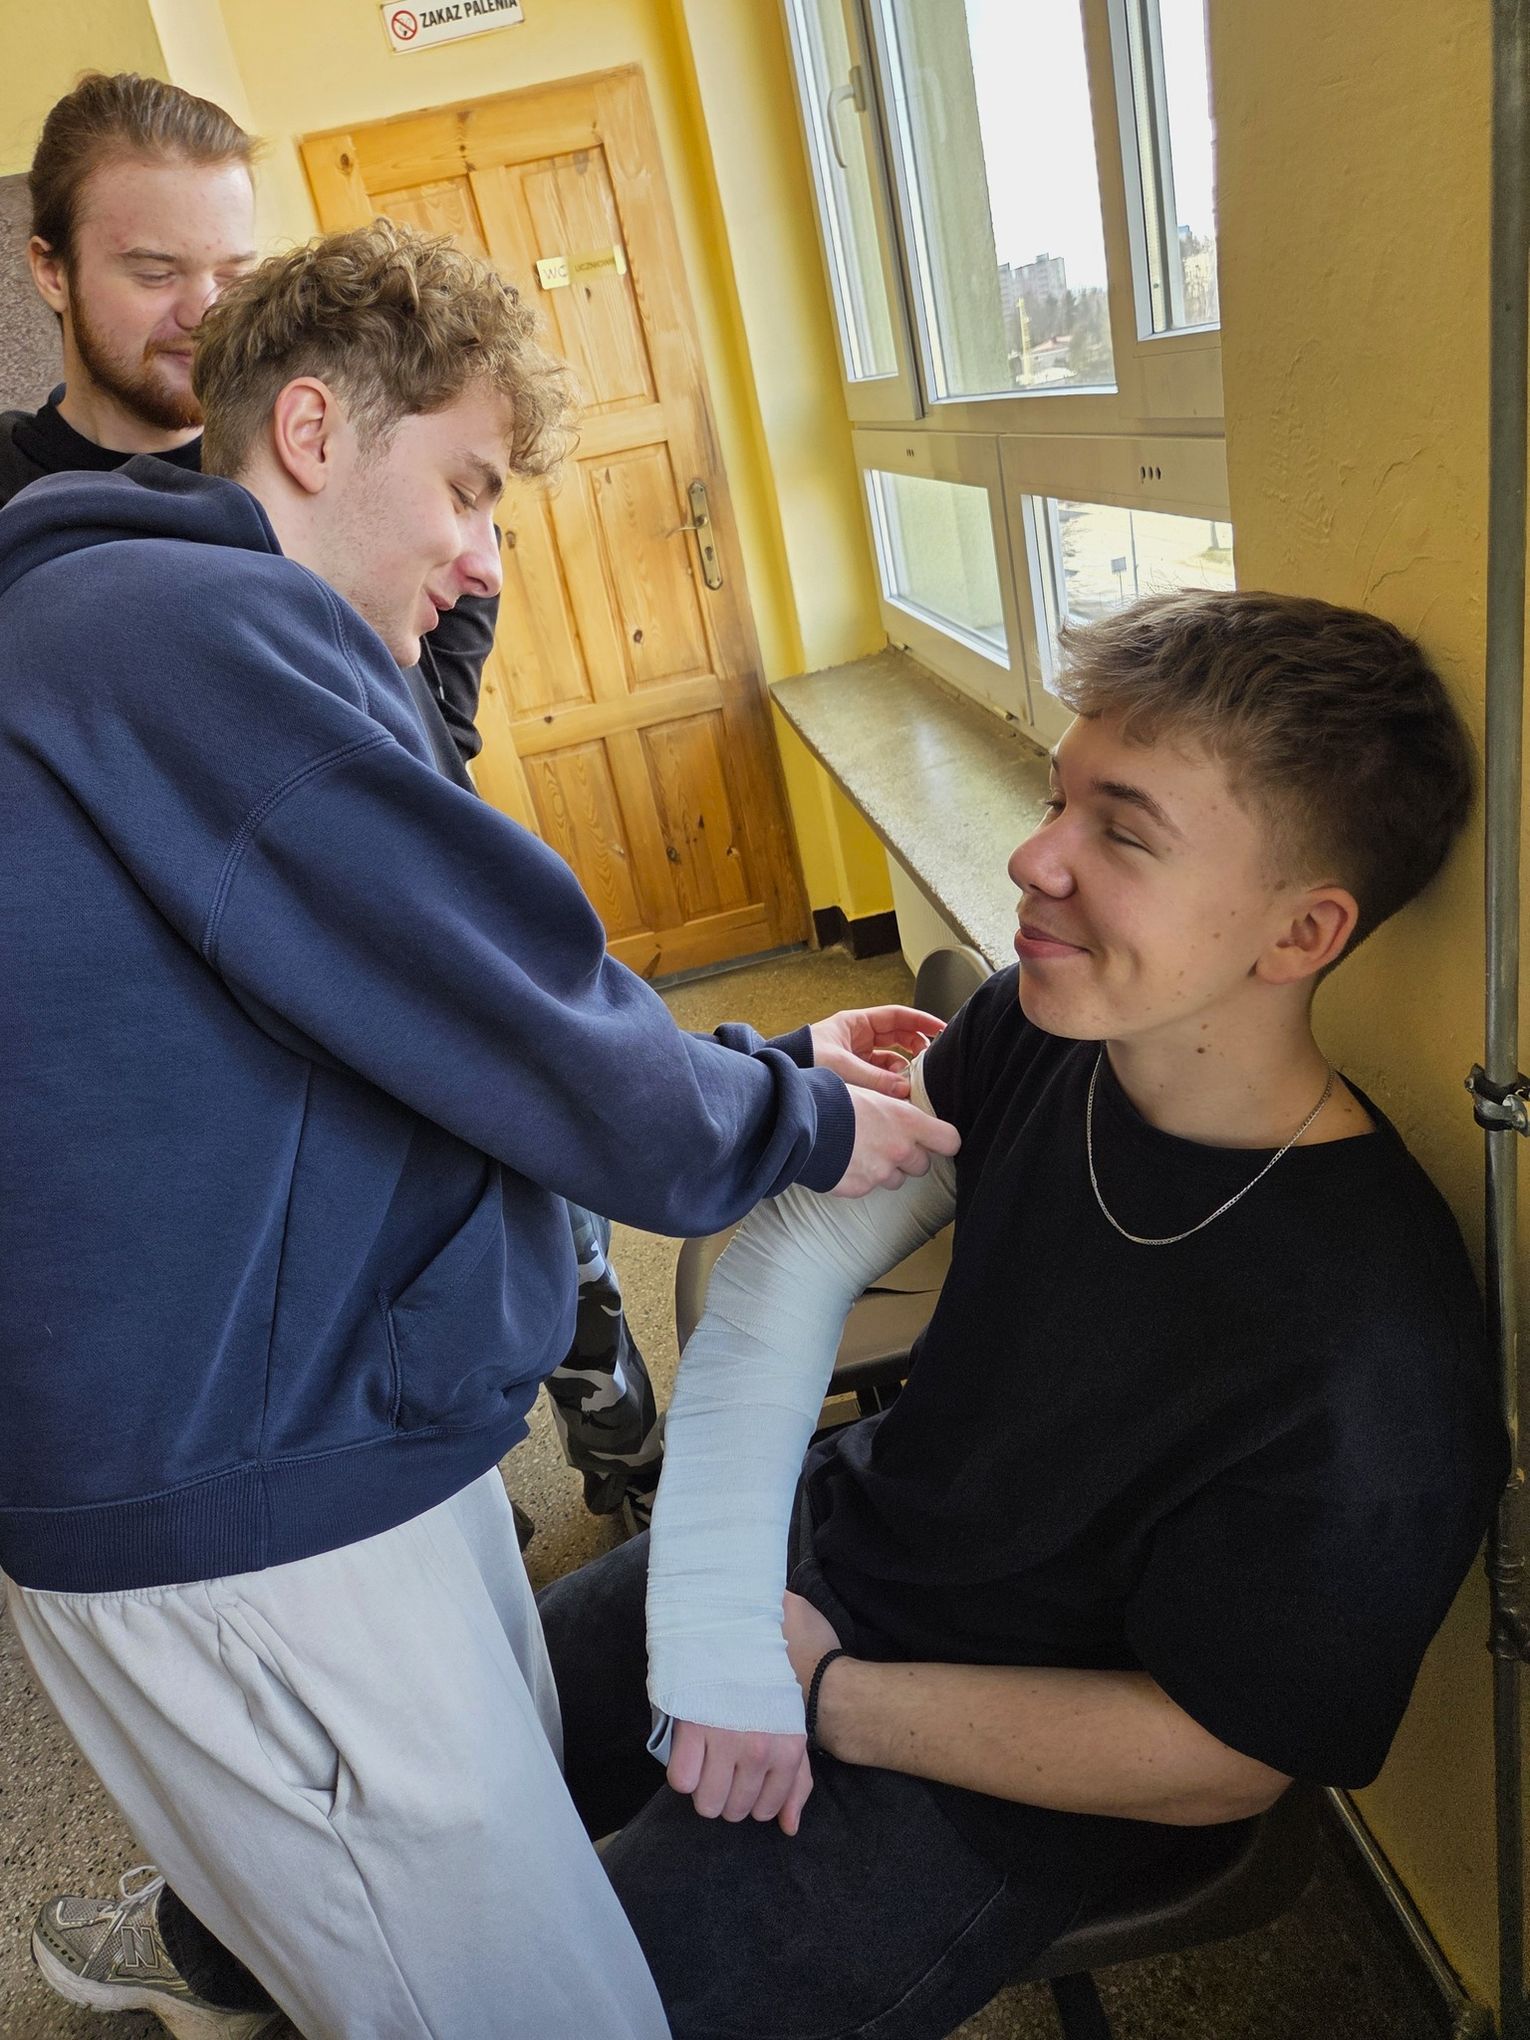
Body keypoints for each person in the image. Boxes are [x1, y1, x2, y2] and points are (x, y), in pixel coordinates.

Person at [0, 217, 960, 2040]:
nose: (480, 555)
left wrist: (768, 1067)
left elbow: (424, 1017)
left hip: (311, 1428)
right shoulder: (184, 628)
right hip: (254, 1510)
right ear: (308, 431)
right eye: (465, 486)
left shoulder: (139, 626)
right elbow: (496, 996)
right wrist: (800, 1122)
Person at [536, 588, 1509, 2040]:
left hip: (995, 1766)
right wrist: (722, 1612)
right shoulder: (1049, 1032)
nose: (1032, 856)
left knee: (565, 2004)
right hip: (846, 1537)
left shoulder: (1369, 1355)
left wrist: (825, 1691)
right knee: (441, 1747)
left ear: (1299, 932)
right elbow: (799, 1255)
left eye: (1123, 831)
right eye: (1059, 798)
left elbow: (1224, 1761)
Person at [1, 69, 671, 1540]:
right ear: (49, 269)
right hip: (228, 1024)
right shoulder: (32, 522)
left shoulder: (344, 459)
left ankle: (627, 1472)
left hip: (403, 893)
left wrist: (388, 737)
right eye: (154, 270)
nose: (203, 310)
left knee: (554, 1231)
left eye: (231, 268)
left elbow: (448, 622)